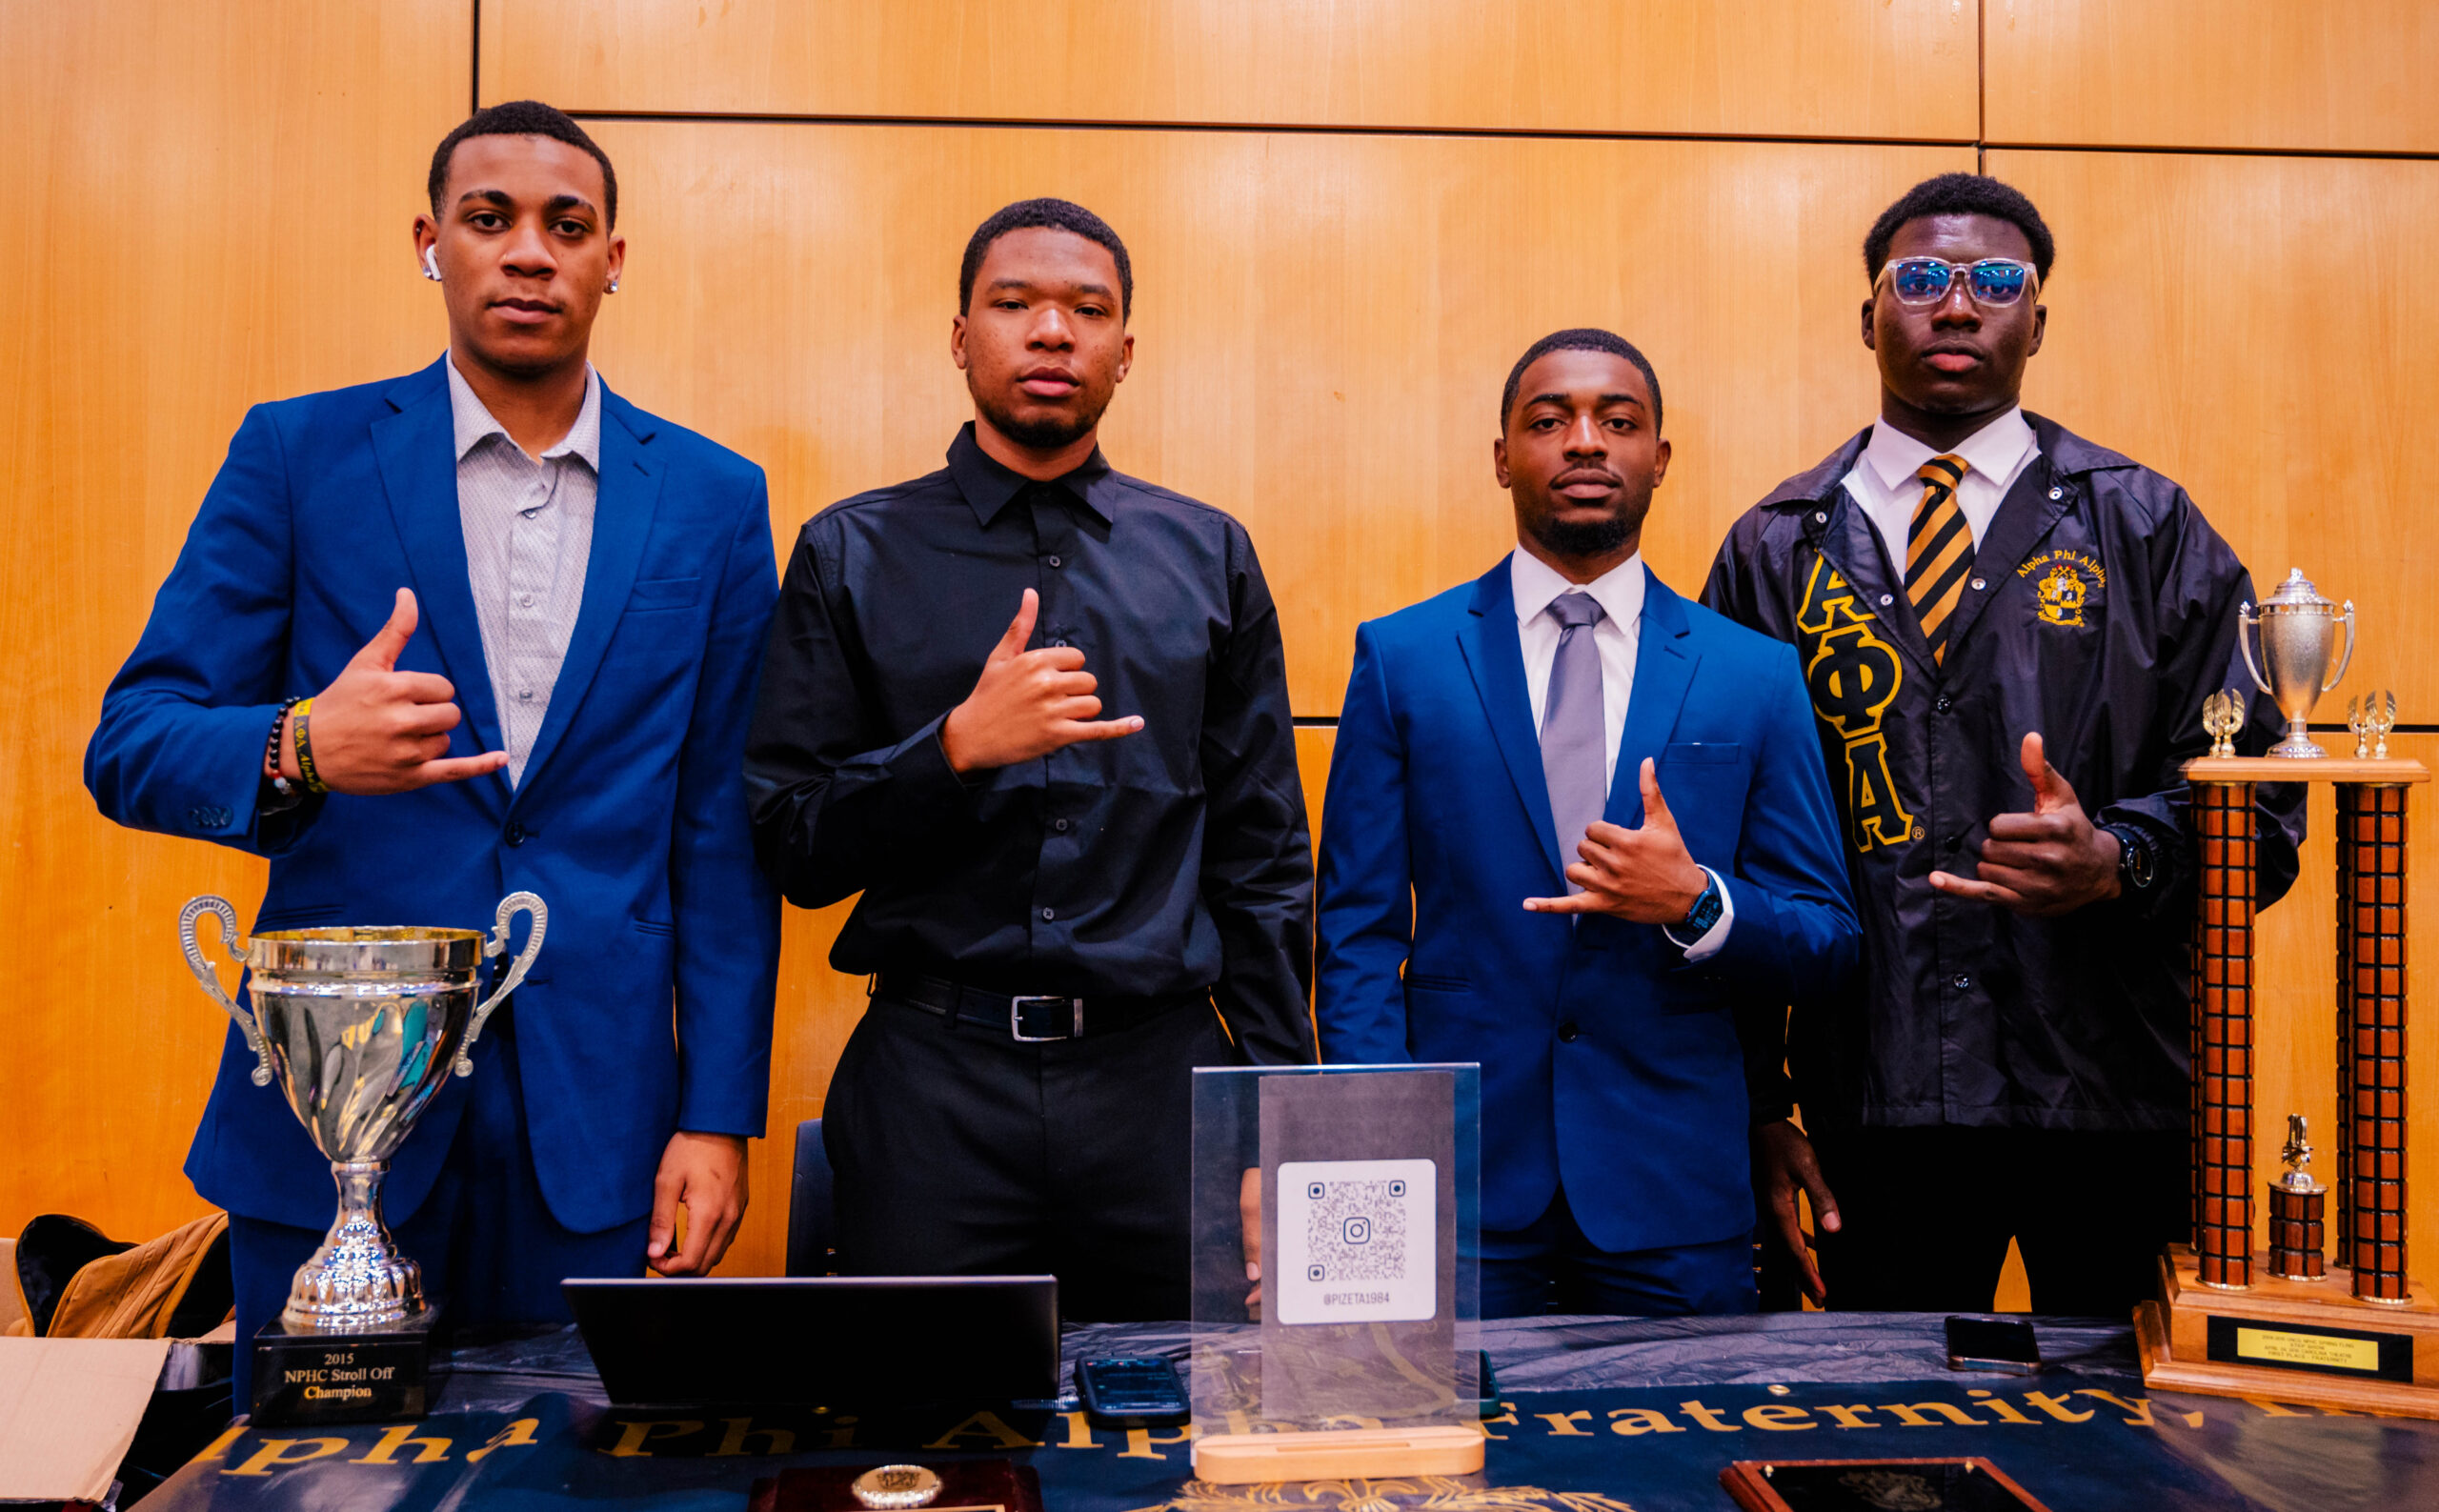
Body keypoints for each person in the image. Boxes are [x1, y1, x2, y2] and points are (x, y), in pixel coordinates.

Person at [85, 101, 781, 1399]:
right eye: (489, 219)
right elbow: (131, 741)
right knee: (312, 1486)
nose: (530, 252)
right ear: (431, 243)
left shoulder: (714, 497)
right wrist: (300, 742)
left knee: (580, 1482)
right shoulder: (297, 455)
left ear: (612, 258)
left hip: (603, 1131)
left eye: (566, 226)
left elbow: (719, 837)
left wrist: (718, 1112)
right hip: (328, 1125)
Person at [1704, 172, 2302, 1315]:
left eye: (1995, 281)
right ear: (1867, 315)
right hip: (1866, 1103)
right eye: (1921, 278)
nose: (1957, 305)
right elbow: (1725, 863)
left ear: (2039, 318)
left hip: (2111, 1094)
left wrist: (2119, 860)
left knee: (2139, 1456)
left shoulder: (2146, 526)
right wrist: (1756, 1102)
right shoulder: (1774, 549)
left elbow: (2260, 810)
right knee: (1877, 1462)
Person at [744, 198, 1313, 1320]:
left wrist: (1279, 1138)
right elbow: (789, 842)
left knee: (1176, 1445)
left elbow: (1263, 868)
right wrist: (951, 750)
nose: (1050, 332)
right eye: (1014, 305)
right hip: (930, 1091)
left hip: (1163, 1090)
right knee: (922, 1457)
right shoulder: (849, 551)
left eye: (1085, 310)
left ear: (1124, 351)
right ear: (961, 337)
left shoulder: (1209, 558)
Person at [1316, 329, 1859, 1318]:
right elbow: (1354, 933)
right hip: (1458, 1179)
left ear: (1659, 458)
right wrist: (1372, 1140)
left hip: (1675, 1182)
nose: (1583, 442)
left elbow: (1825, 936)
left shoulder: (1753, 676)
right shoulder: (1403, 658)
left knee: (1683, 1463)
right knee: (1453, 1468)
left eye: (1618, 421)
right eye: (1547, 419)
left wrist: (1698, 903)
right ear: (1501, 457)